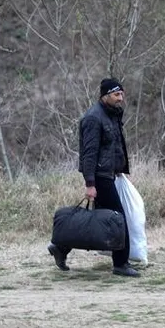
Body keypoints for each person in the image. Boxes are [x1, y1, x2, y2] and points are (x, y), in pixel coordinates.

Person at [48, 78, 139, 277]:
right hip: (99, 177)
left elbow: (113, 147)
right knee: (118, 218)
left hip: (109, 174)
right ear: (104, 96)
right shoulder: (93, 118)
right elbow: (89, 153)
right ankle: (121, 264)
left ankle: (60, 248)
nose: (120, 98)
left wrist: (120, 170)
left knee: (95, 223)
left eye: (122, 94)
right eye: (116, 95)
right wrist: (90, 183)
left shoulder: (111, 115)